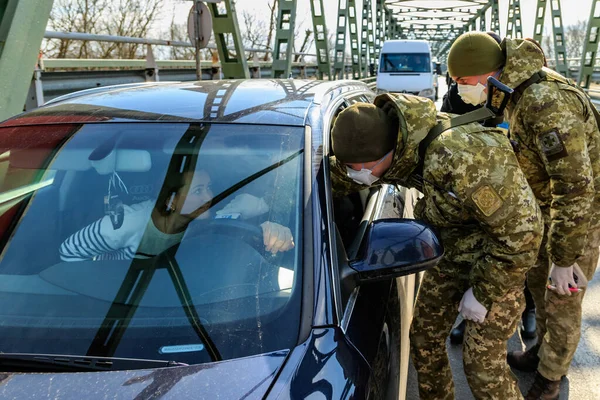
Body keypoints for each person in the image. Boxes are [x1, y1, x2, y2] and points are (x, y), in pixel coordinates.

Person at [330, 93, 543, 399]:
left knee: (482, 366)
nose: (353, 173)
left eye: (356, 166)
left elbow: (523, 234)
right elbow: (338, 176)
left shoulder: (463, 157)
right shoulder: (394, 149)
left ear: (382, 155)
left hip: (499, 257)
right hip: (454, 252)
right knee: (423, 341)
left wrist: (484, 293)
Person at [447, 31, 600, 399]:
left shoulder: (544, 102)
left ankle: (550, 379)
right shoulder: (514, 91)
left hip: (579, 215)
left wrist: (564, 259)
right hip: (545, 207)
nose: (463, 90)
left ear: (488, 73)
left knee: (561, 295)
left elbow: (575, 186)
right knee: (538, 284)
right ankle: (541, 354)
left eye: (464, 84)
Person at [442, 31, 538, 345]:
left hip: (524, 180)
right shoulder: (459, 91)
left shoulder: (524, 91)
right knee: (482, 248)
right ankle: (471, 314)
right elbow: (447, 126)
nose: (464, 85)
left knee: (522, 246)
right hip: (481, 184)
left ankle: (529, 310)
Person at [60, 169, 294, 261]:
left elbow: (258, 208)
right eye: (198, 191)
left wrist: (274, 230)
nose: (209, 197)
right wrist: (110, 274)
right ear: (171, 200)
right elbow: (69, 252)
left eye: (209, 187)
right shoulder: (126, 222)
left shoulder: (217, 215)